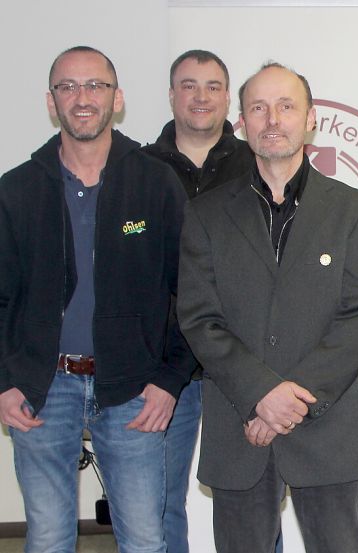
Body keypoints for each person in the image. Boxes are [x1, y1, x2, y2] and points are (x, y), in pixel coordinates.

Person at [177, 61, 358, 553]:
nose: (273, 119)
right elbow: (200, 319)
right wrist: (259, 395)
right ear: (242, 123)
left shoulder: (355, 211)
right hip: (238, 427)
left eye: (286, 106)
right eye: (259, 108)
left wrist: (289, 402)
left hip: (326, 429)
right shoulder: (206, 214)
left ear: (310, 118)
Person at [0, 45, 193, 552]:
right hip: (42, 390)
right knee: (45, 536)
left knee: (147, 538)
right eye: (68, 87)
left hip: (133, 389)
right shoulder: (17, 190)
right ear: (51, 101)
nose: (81, 98)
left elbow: (190, 293)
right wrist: (4, 381)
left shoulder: (156, 183)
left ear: (117, 98)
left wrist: (169, 381)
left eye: (95, 86)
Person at [141, 48, 253, 553]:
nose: (201, 96)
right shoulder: (138, 170)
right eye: (189, 85)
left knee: (252, 498)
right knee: (160, 501)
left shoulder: (259, 164)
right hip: (166, 369)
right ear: (171, 95)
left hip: (244, 363)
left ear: (229, 98)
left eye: (212, 86)